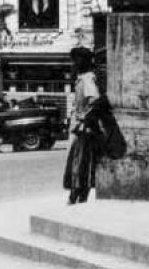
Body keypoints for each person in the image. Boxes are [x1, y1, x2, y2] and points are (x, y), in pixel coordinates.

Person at [63, 46, 102, 205]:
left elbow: (94, 99)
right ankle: (77, 196)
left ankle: (77, 197)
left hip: (83, 128)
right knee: (77, 162)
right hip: (79, 126)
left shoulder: (87, 79)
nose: (73, 63)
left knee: (80, 163)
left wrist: (84, 119)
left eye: (76, 60)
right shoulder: (81, 78)